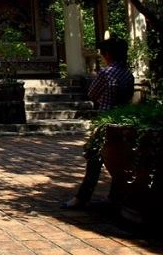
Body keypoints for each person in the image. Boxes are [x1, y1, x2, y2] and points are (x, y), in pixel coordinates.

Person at [62, 37, 134, 209]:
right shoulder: (128, 74)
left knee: (94, 157)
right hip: (122, 119)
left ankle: (82, 197)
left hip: (105, 120)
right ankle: (114, 196)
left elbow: (92, 93)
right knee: (120, 160)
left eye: (103, 54)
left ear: (108, 54)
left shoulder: (106, 73)